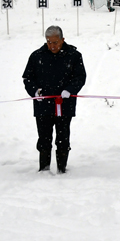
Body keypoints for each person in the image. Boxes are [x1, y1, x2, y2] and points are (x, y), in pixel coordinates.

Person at [22, 26, 87, 173]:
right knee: (44, 139)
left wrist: (69, 90)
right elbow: (27, 78)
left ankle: (61, 168)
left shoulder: (74, 56)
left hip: (64, 105)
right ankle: (44, 168)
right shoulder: (36, 56)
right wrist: (35, 91)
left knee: (63, 138)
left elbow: (80, 77)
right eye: (49, 42)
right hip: (42, 106)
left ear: (63, 40)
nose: (52, 46)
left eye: (55, 42)